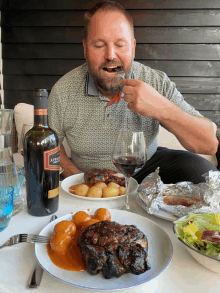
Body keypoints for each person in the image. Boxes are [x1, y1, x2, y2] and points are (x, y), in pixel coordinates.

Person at [48, 0, 218, 184]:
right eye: (99, 45)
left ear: (133, 47)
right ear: (85, 48)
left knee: (204, 172)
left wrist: (160, 107)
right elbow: (49, 143)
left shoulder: (155, 81)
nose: (111, 55)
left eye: (120, 45)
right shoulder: (63, 91)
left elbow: (209, 143)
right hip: (88, 173)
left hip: (146, 166)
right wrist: (76, 177)